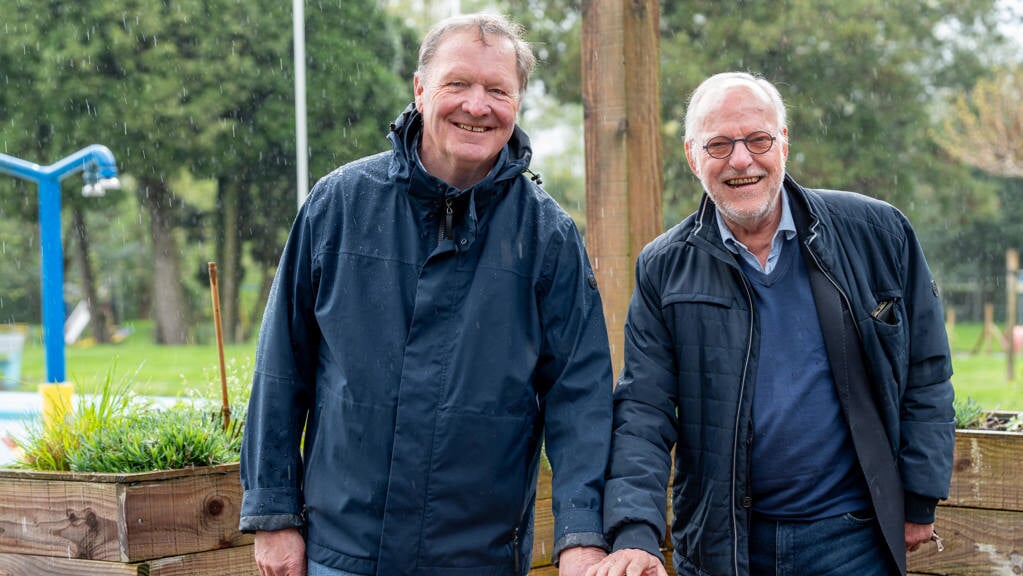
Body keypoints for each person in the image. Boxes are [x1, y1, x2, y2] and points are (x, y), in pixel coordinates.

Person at [239, 12, 613, 576]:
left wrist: (581, 534)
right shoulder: (338, 206)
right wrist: (273, 516)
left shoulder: (548, 237)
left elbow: (579, 398)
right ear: (420, 89)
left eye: (497, 90)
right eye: (457, 83)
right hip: (340, 553)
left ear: (517, 104)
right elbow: (280, 370)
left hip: (475, 558)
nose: (476, 105)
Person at [586, 72, 955, 576]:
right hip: (725, 548)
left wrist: (919, 498)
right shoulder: (664, 268)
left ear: (784, 143)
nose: (742, 160)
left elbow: (926, 369)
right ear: (694, 159)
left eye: (758, 139)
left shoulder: (878, 232)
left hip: (854, 541)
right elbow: (644, 412)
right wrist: (635, 534)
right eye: (718, 145)